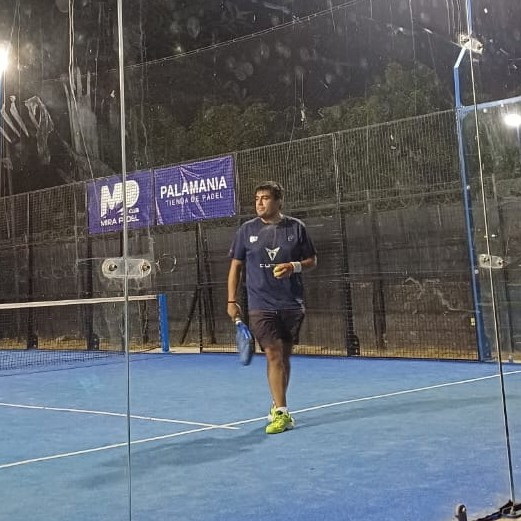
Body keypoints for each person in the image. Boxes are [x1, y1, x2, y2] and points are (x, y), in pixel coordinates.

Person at [227, 181, 317, 434]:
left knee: (284, 358)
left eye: (265, 198)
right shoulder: (246, 230)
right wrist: (231, 300)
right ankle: (282, 413)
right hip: (260, 305)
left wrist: (293, 267)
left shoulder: (296, 228)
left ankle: (277, 403)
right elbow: (235, 267)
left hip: (291, 304)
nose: (259, 203)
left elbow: (312, 260)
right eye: (257, 198)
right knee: (273, 354)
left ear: (278, 201)